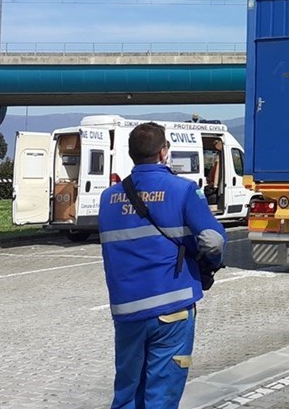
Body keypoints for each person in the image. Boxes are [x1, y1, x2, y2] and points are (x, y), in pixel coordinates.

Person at [98, 122, 226, 409]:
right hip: (172, 309)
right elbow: (213, 241)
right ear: (163, 152)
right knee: (161, 395)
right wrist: (211, 265)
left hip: (126, 311)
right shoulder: (182, 190)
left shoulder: (108, 198)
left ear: (131, 155)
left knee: (127, 392)